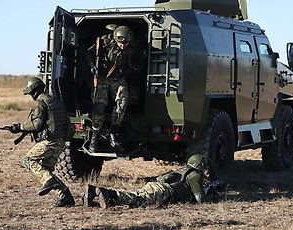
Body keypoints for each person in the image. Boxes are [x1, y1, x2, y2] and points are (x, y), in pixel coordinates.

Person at [10, 77, 75, 207]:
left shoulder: (40, 103)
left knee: (28, 160)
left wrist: (20, 127)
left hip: (49, 142)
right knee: (44, 169)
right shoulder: (56, 102)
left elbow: (37, 124)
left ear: (35, 91)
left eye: (30, 93)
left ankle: (50, 181)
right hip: (60, 142)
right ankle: (66, 197)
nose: (31, 96)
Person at [83, 154, 211, 208]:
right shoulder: (195, 175)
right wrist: (211, 195)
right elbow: (200, 199)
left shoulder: (184, 170)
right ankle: (107, 193)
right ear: (200, 166)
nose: (206, 171)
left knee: (135, 196)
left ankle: (93, 191)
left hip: (157, 185)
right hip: (164, 191)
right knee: (136, 199)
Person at [88, 25, 136, 153]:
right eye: (121, 43)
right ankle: (95, 135)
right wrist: (91, 65)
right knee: (99, 106)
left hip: (118, 79)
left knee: (122, 102)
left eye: (125, 43)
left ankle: (113, 131)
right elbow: (89, 53)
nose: (123, 46)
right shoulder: (105, 42)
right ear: (115, 39)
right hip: (103, 78)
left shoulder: (131, 48)